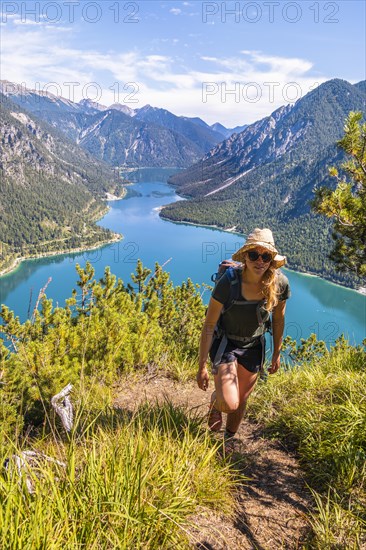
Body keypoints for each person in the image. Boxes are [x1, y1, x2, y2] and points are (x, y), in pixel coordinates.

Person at [196, 228, 290, 450]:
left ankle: (227, 442)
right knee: (230, 402)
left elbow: (278, 321)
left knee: (241, 401)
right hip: (226, 343)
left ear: (272, 259)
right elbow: (209, 324)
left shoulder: (280, 283)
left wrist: (276, 353)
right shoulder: (229, 282)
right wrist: (201, 366)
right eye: (254, 255)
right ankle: (216, 403)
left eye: (266, 256)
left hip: (253, 346)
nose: (260, 261)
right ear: (245, 257)